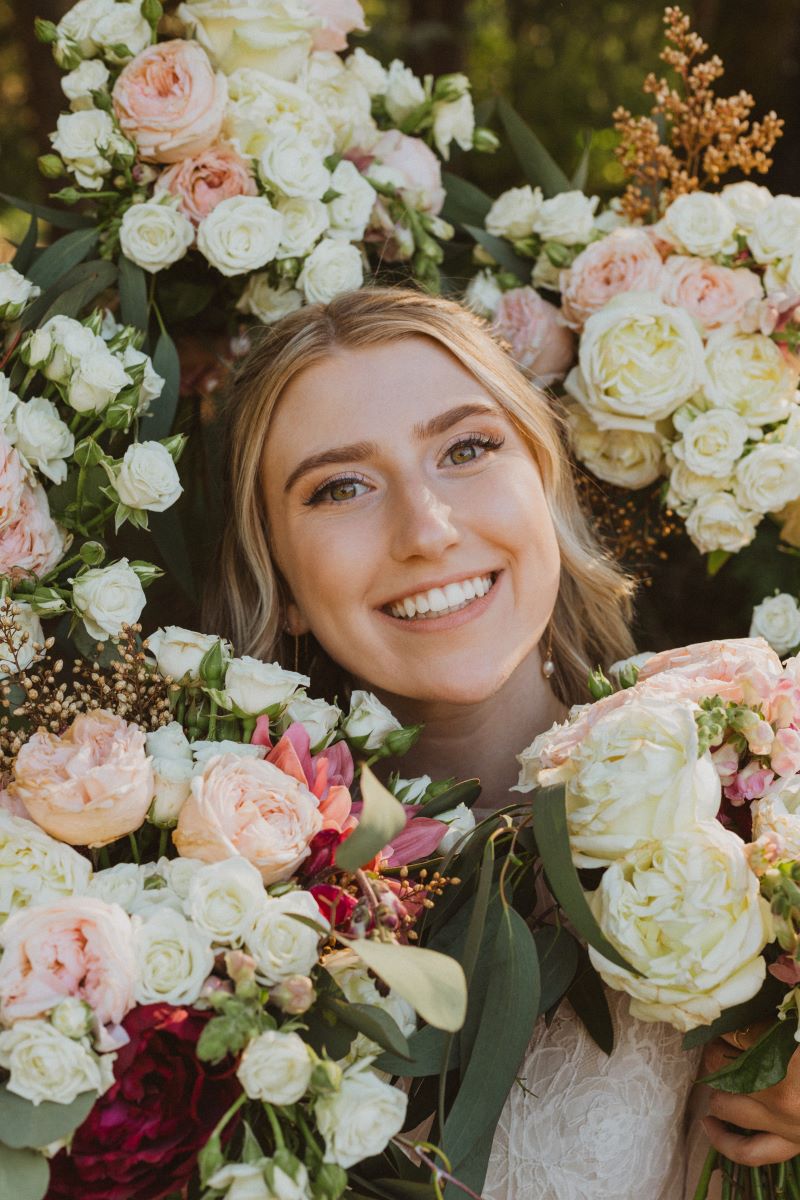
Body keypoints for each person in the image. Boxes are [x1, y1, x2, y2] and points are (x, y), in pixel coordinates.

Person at [207, 286, 800, 1198]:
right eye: (340, 487)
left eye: (468, 447)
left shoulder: (757, 780)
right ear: (277, 578)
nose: (428, 531)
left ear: (545, 479)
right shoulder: (214, 914)